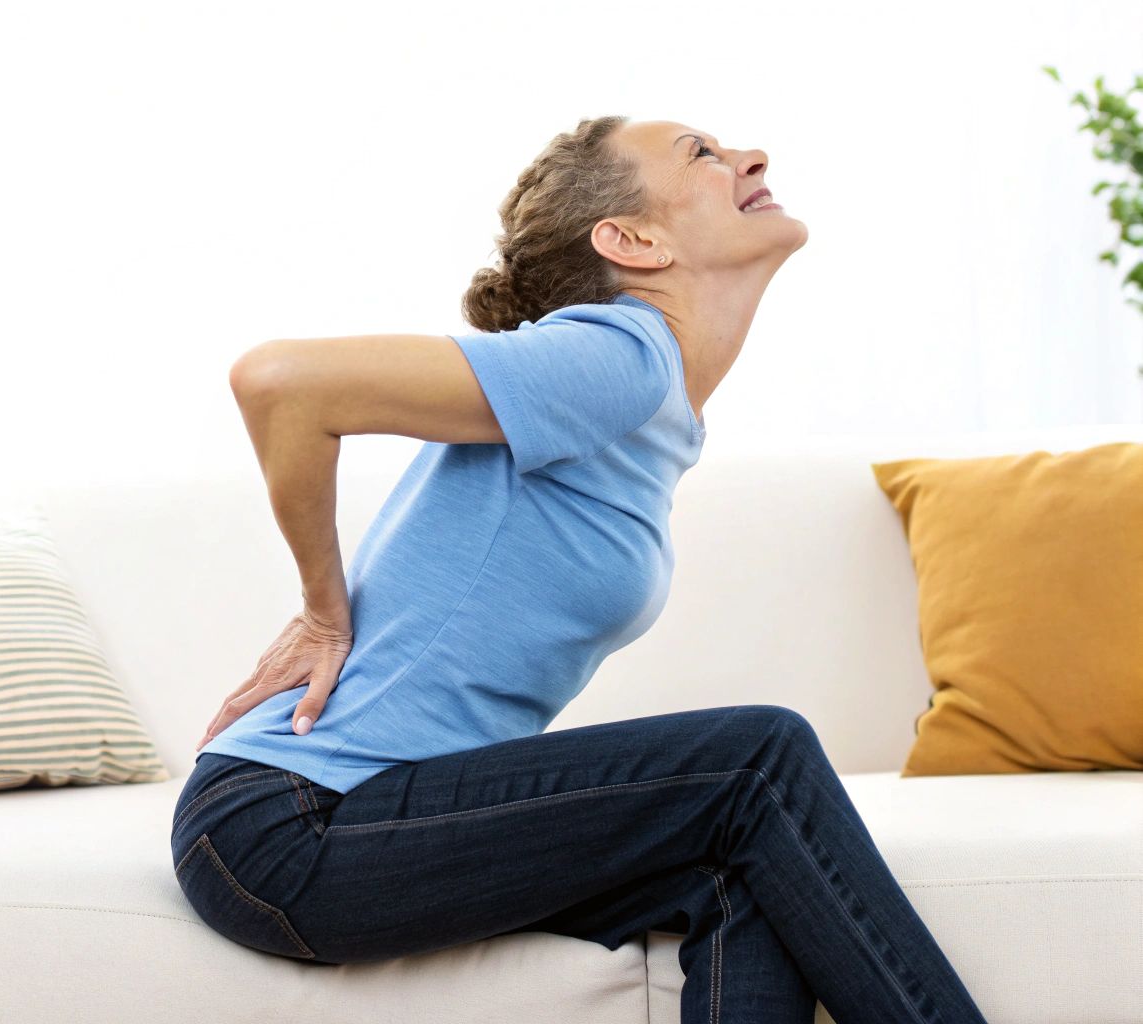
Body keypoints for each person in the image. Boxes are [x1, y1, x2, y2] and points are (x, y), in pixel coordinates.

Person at [172, 115, 991, 1023]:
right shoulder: (616, 355)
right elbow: (280, 382)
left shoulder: (655, 401)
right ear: (632, 242)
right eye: (702, 154)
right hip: (293, 823)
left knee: (743, 874)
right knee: (759, 759)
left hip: (370, 817)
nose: (751, 157)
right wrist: (323, 613)